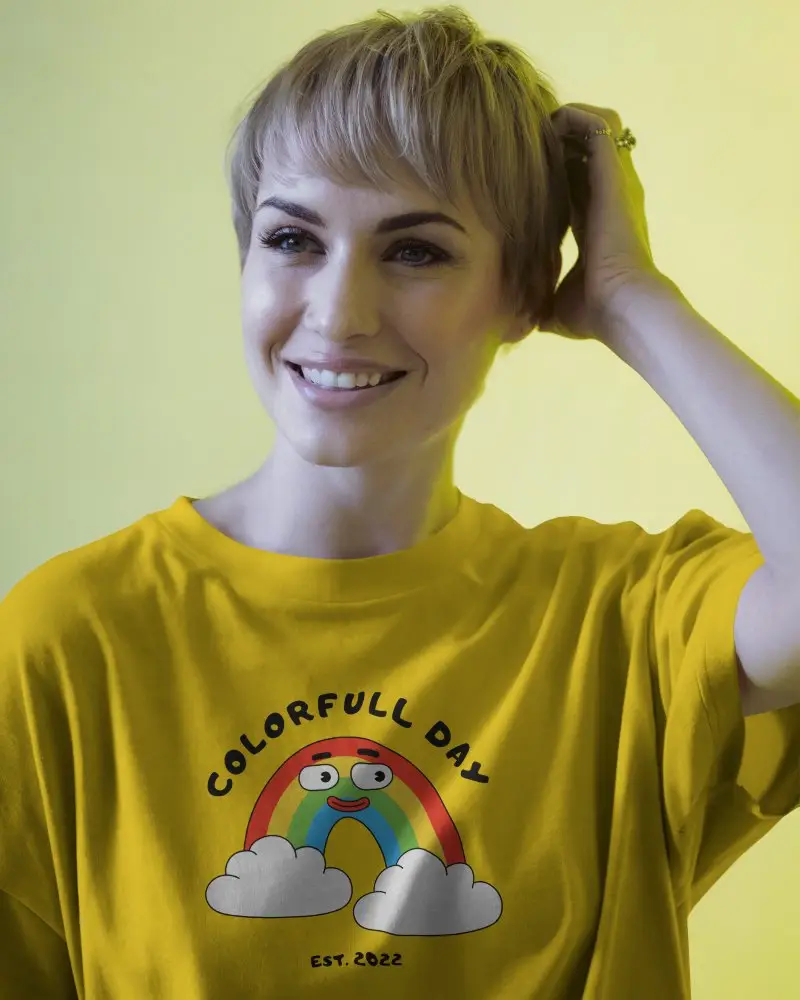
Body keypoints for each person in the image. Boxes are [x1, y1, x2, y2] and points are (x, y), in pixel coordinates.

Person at [1, 6, 798, 999]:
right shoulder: (70, 636)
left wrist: (632, 296)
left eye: (415, 251)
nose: (339, 314)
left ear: (523, 292)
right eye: (291, 238)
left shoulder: (620, 620)